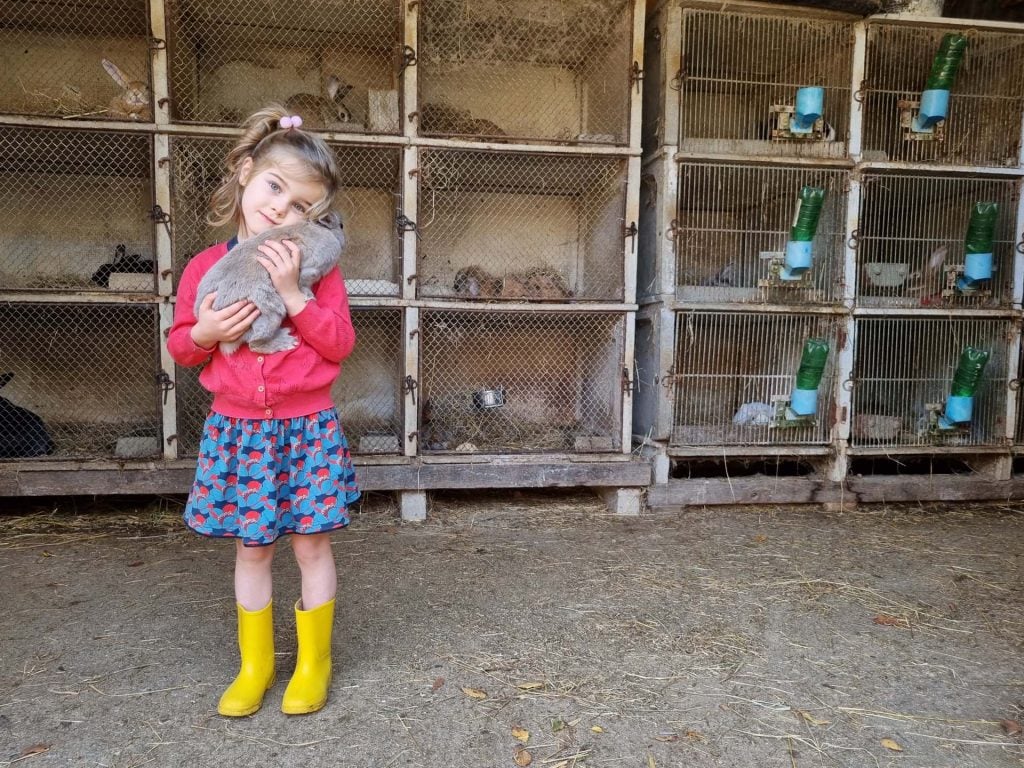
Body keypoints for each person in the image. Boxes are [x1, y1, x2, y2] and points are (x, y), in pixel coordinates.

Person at [167, 105, 359, 717]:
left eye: (302, 206)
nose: (282, 210)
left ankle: (313, 663)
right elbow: (181, 348)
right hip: (239, 430)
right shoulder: (204, 267)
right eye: (275, 188)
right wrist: (204, 331)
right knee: (251, 550)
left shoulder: (318, 267)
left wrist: (294, 295)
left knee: (311, 545)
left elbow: (340, 344)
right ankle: (254, 666)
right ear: (246, 172)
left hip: (306, 429)